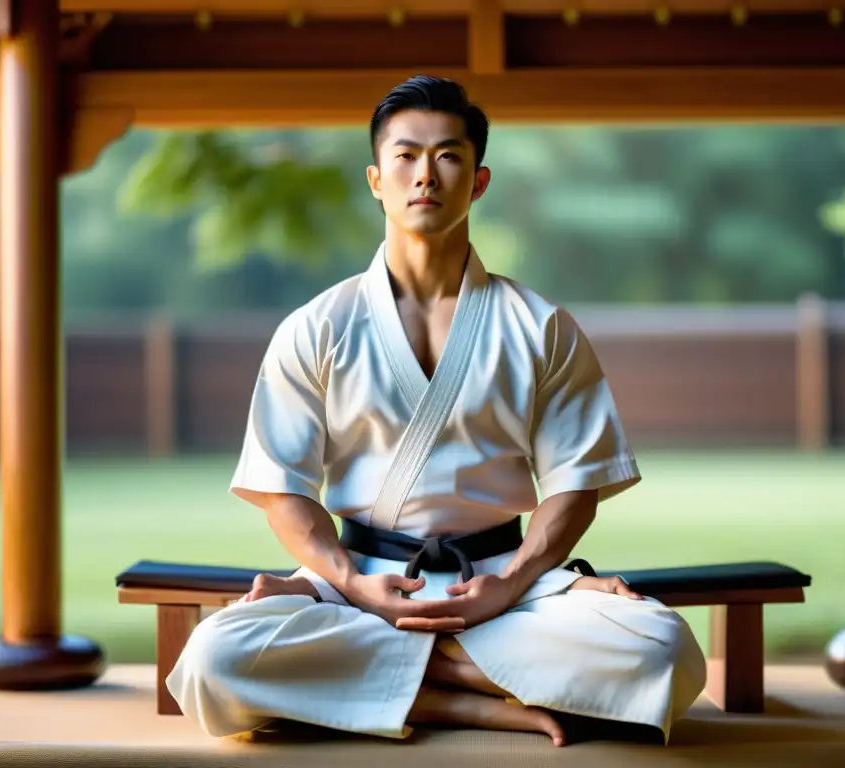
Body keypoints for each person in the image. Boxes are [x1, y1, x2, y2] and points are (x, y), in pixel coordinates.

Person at [166, 75, 707, 748]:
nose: (426, 174)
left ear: (478, 181)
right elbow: (285, 492)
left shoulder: (539, 327)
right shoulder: (317, 327)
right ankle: (472, 697)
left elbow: (575, 487)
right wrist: (348, 586)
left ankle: (408, 685)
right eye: (406, 155)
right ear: (375, 179)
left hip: (502, 586)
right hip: (361, 583)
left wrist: (509, 587)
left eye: (448, 156)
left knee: (663, 649)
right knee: (215, 657)